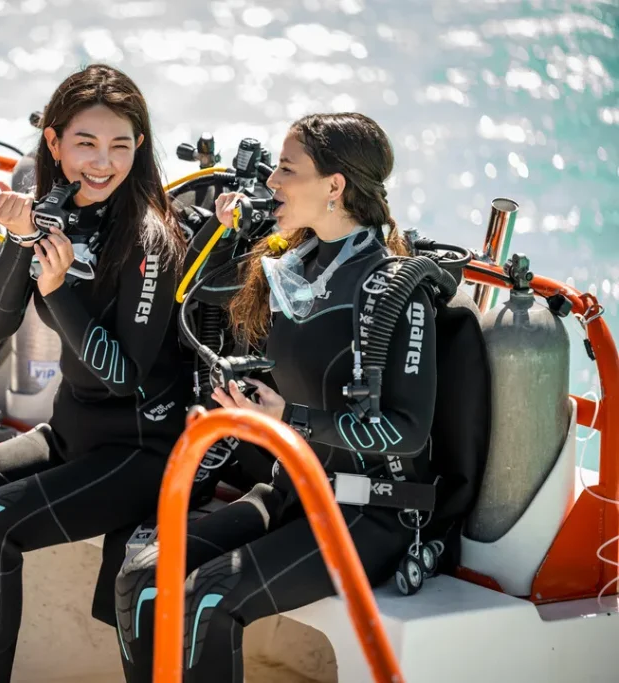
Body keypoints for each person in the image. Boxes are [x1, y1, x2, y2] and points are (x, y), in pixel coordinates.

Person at [0, 64, 192, 683]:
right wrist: (20, 242)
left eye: (121, 145)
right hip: (70, 437)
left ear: (140, 147)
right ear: (53, 144)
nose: (103, 163)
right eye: (86, 143)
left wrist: (60, 293)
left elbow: (126, 378)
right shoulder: (55, 213)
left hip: (139, 452)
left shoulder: (150, 239)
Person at [114, 112, 440, 682]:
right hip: (292, 493)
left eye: (287, 170)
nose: (272, 183)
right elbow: (201, 297)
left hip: (369, 512)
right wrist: (230, 229)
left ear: (334, 187)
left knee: (209, 597)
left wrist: (289, 418)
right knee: (141, 575)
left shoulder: (394, 292)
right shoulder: (295, 265)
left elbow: (408, 431)